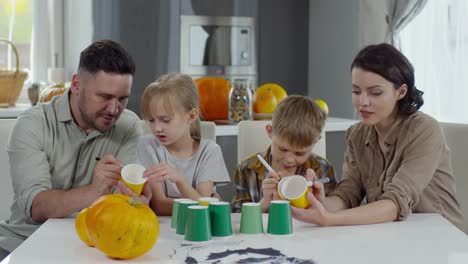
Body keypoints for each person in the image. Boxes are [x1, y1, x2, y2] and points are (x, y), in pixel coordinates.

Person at [291, 43, 465, 231]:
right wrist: (320, 203)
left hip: (441, 239)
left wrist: (330, 219)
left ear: (401, 92)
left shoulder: (425, 130)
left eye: (375, 92)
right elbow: (348, 193)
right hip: (392, 235)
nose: (362, 102)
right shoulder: (356, 134)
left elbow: (395, 203)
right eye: (356, 91)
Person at [0, 40, 142, 258]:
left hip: (94, 248)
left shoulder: (129, 125)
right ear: (76, 85)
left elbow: (121, 203)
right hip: (23, 243)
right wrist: (95, 191)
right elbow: (37, 207)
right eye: (104, 97)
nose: (114, 110)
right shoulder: (32, 124)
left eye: (122, 99)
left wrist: (139, 201)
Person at [130, 73, 230, 216]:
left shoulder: (210, 151)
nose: (157, 128)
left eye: (165, 120)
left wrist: (180, 180)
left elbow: (203, 208)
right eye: (151, 120)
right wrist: (204, 200)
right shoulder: (147, 146)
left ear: (191, 116)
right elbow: (160, 206)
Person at [231, 95, 336, 213]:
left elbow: (331, 217)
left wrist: (314, 199)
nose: (290, 159)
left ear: (316, 141)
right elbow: (237, 218)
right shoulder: (246, 169)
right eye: (283, 149)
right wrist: (264, 202)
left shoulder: (322, 169)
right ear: (270, 132)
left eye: (299, 153)